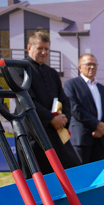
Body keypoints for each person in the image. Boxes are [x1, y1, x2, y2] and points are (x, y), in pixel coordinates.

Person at [20, 30, 81, 177]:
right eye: (40, 48)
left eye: (46, 49)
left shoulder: (52, 73)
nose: (44, 52)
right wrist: (51, 118)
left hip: (55, 132)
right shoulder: (19, 69)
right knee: (38, 177)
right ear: (29, 48)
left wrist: (63, 118)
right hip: (33, 132)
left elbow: (63, 99)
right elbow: (26, 100)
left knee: (71, 169)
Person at [66, 53, 104, 164]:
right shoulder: (71, 84)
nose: (92, 67)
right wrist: (97, 125)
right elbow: (75, 109)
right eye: (88, 64)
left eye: (94, 64)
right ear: (79, 67)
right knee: (81, 175)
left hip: (100, 138)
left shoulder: (103, 89)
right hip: (82, 138)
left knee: (98, 174)